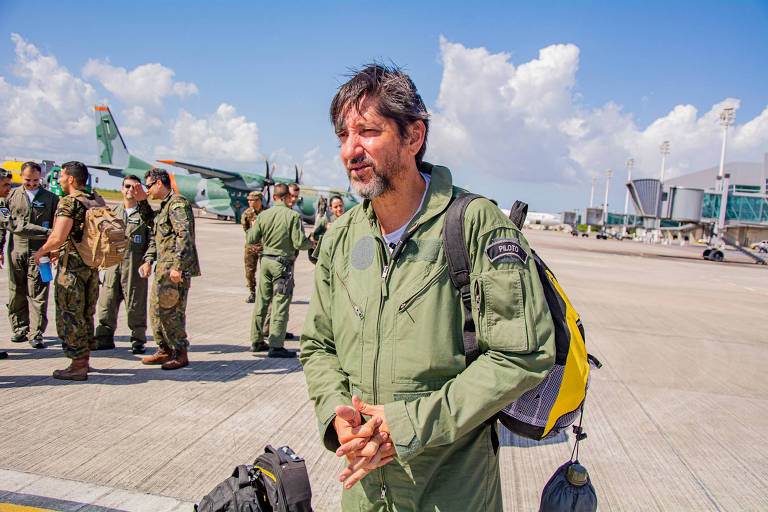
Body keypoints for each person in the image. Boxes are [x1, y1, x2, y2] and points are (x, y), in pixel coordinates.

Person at [299, 64, 555, 511]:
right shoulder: (341, 237)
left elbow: (522, 355)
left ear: (413, 137)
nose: (350, 150)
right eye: (343, 135)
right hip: (362, 492)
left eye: (367, 131)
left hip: (450, 492)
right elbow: (318, 345)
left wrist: (409, 425)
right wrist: (337, 417)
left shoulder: (476, 226)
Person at [34, 162, 102, 380]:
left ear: (71, 179)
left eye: (62, 176)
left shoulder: (69, 202)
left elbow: (58, 237)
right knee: (85, 314)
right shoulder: (94, 200)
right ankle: (85, 360)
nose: (60, 180)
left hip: (71, 269)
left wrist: (42, 251)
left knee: (70, 315)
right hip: (91, 267)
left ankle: (77, 365)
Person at [132, 168, 201, 370]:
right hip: (163, 269)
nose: (148, 190)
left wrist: (178, 267)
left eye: (149, 186)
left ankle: (180, 353)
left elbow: (184, 235)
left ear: (159, 183)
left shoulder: (177, 203)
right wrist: (142, 201)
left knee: (172, 312)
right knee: (156, 311)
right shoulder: (165, 206)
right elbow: (152, 226)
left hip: (173, 269)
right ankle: (164, 350)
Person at [247, 183, 313, 357]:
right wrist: (311, 243)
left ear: (275, 197)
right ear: (286, 197)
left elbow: (251, 238)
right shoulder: (292, 216)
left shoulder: (264, 215)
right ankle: (276, 345)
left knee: (261, 301)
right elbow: (299, 243)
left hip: (266, 262)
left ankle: (256, 340)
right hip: (282, 265)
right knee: (280, 303)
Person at [93, 175, 154, 354]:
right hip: (112, 266)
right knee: (107, 302)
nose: (130, 190)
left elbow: (153, 240)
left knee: (135, 304)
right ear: (122, 188)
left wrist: (148, 261)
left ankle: (138, 339)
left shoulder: (145, 216)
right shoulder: (112, 214)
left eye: (135, 188)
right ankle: (104, 337)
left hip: (134, 265)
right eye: (127, 186)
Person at [2, 161, 59, 349]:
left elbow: (57, 226)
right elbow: (5, 225)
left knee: (38, 292)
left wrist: (53, 247)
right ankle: (19, 329)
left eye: (35, 180)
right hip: (15, 249)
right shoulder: (11, 196)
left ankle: (36, 333)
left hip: (40, 251)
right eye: (28, 180)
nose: (32, 184)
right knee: (16, 290)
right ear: (21, 177)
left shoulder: (51, 198)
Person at [0, 168, 14, 359]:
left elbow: (6, 226)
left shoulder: (3, 203)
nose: (9, 188)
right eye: (5, 184)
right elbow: (13, 224)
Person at [241, 190, 264, 303]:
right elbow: (245, 229)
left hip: (264, 246)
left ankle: (265, 293)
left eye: (252, 200)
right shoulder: (247, 213)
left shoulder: (266, 213)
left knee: (265, 271)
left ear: (259, 201)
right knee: (249, 271)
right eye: (249, 200)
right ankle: (252, 293)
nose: (249, 201)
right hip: (250, 247)